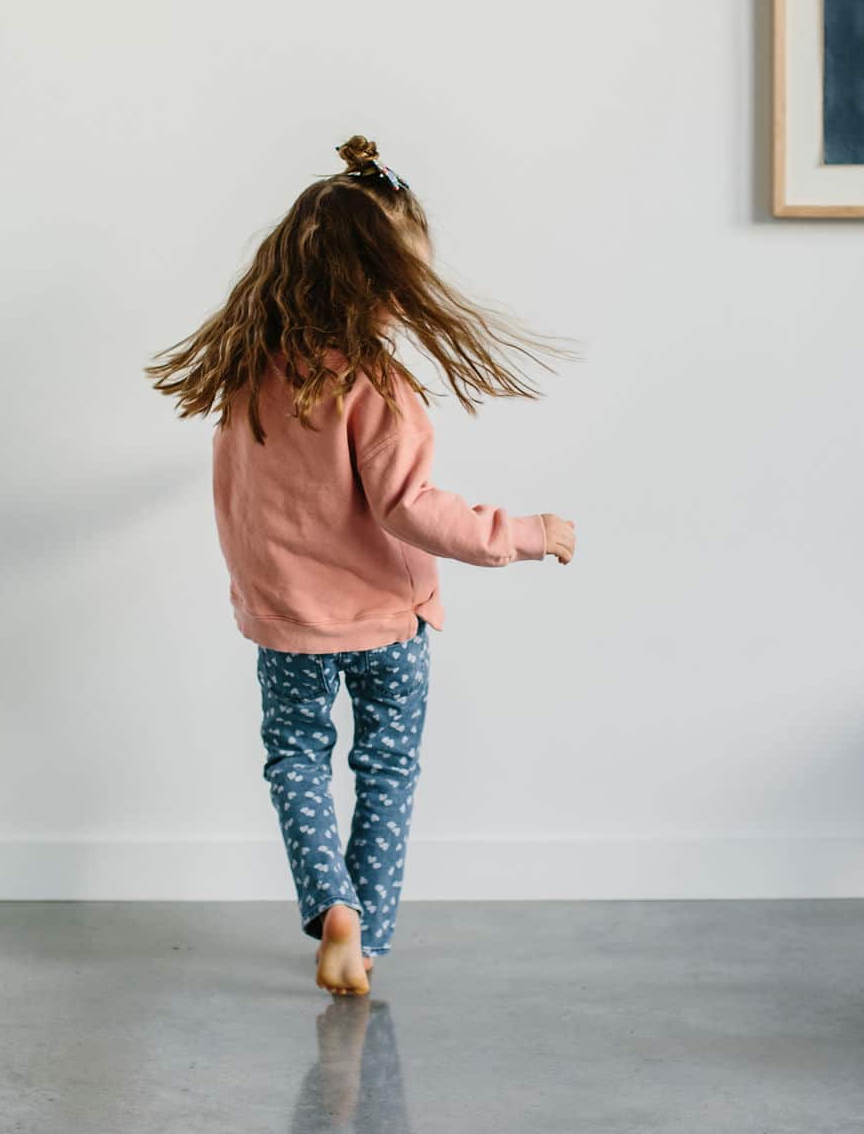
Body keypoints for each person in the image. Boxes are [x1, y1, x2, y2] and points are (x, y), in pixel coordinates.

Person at [144, 135, 578, 995]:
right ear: (379, 285)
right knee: (385, 770)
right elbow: (409, 506)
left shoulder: (246, 373)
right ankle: (366, 937)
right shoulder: (376, 385)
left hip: (287, 625)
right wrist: (524, 532)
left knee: (296, 760)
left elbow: (242, 502)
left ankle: (329, 904)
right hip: (388, 622)